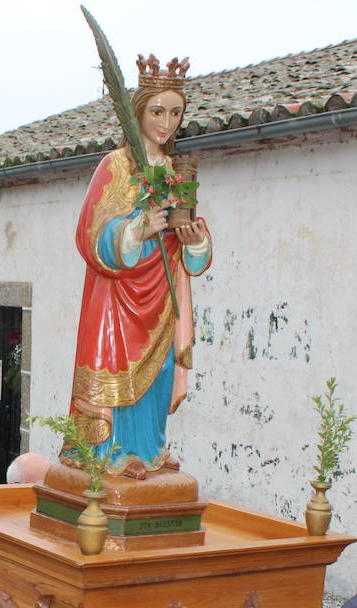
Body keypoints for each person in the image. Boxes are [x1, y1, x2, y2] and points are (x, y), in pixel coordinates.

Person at [65, 55, 212, 480]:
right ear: (139, 112)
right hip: (118, 294)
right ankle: (112, 453)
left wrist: (194, 240)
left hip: (163, 293)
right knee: (119, 368)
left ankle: (150, 448)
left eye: (176, 113)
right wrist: (136, 229)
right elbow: (90, 233)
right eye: (157, 111)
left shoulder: (173, 170)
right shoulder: (115, 166)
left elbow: (191, 235)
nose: (167, 123)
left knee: (161, 370)